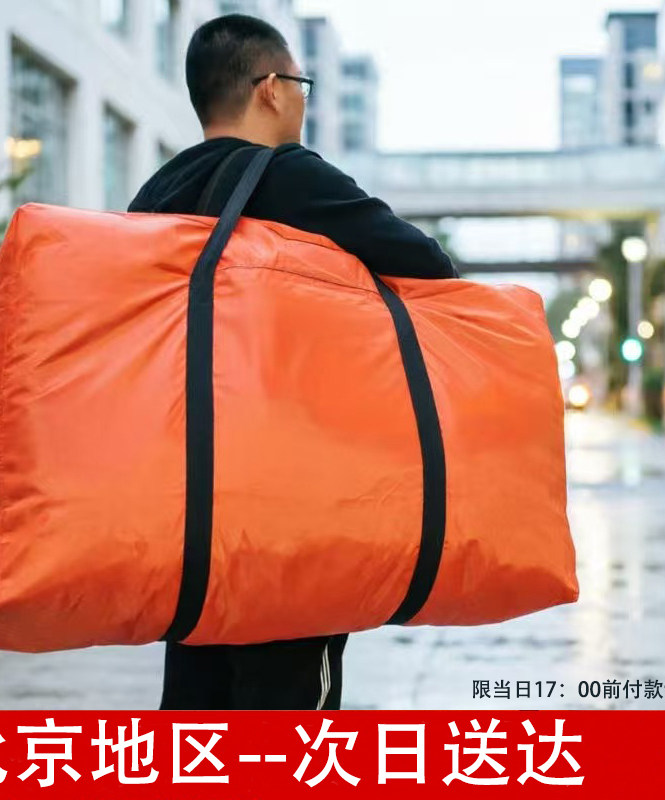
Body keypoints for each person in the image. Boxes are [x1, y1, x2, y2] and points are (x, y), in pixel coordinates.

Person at [127, 13, 456, 711]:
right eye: (301, 86)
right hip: (288, 508)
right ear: (271, 89)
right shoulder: (287, 177)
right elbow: (427, 262)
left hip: (187, 506)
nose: (302, 102)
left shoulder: (154, 198)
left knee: (197, 706)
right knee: (290, 708)